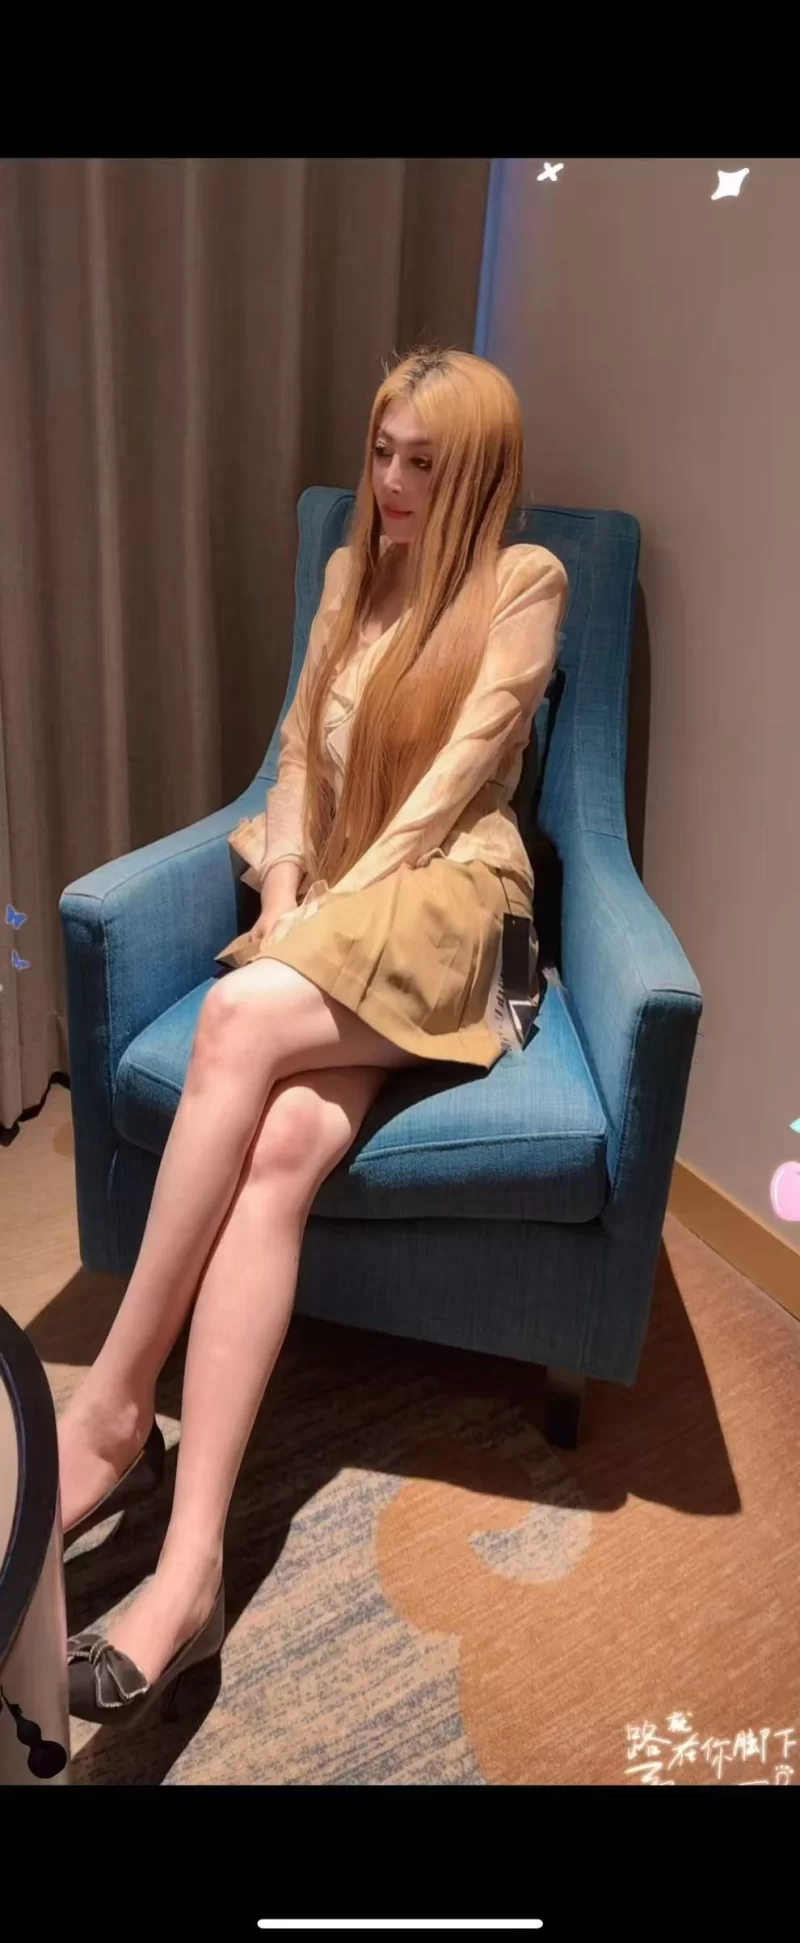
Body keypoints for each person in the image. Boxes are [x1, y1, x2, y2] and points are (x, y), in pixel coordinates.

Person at [60, 346, 568, 1725]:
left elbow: (456, 780)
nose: (391, 482)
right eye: (383, 451)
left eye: (423, 463)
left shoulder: (524, 584)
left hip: (452, 905)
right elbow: (294, 760)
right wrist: (287, 894)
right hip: (338, 902)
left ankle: (112, 1408)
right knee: (283, 1143)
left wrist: (320, 926)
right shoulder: (349, 575)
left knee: (238, 1015)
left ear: (475, 474)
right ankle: (191, 1571)